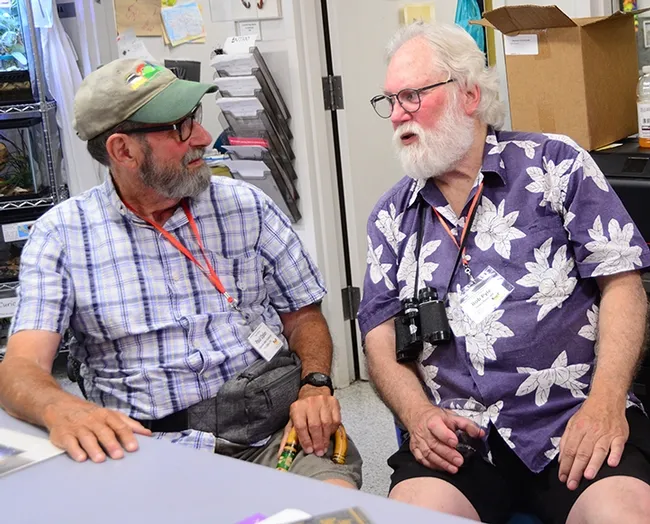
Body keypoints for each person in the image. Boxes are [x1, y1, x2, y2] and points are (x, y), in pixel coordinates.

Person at [0, 59, 361, 489]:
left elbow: (303, 316)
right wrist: (60, 409)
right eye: (180, 128)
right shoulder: (62, 237)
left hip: (273, 437)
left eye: (196, 119)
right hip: (147, 451)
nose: (204, 138)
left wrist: (315, 384)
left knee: (334, 509)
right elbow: (20, 368)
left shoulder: (246, 205)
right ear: (123, 151)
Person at [358, 22, 650, 523]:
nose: (398, 115)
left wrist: (606, 403)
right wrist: (417, 414)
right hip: (458, 436)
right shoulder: (392, 217)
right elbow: (379, 334)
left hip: (571, 418)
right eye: (390, 100)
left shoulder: (555, 165)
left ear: (468, 94)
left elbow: (623, 284)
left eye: (411, 95)